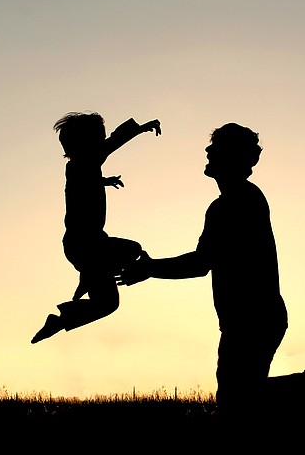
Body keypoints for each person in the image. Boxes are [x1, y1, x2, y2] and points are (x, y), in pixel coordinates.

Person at [120, 122, 288, 424]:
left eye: (216, 147)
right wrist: (151, 268)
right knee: (240, 399)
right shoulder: (236, 200)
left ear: (232, 156)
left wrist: (149, 268)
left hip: (253, 319)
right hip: (250, 319)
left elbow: (200, 264)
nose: (208, 151)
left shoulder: (235, 203)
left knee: (237, 402)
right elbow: (203, 261)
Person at [31, 111, 161, 344]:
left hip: (83, 245)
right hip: (87, 244)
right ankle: (90, 274)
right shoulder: (88, 160)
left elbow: (82, 182)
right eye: (99, 137)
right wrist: (140, 128)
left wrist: (104, 181)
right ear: (87, 142)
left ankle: (61, 320)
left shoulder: (77, 167)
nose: (103, 142)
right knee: (133, 250)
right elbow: (114, 141)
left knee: (108, 304)